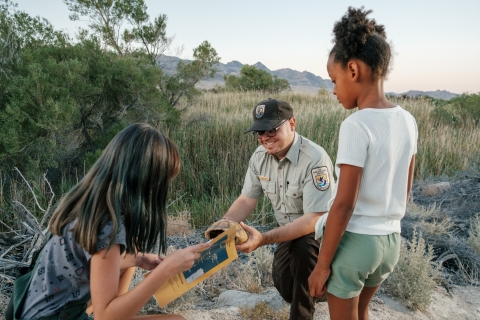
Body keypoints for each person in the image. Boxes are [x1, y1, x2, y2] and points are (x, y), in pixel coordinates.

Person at [17, 123, 211, 320]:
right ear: (144, 179)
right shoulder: (106, 225)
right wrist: (167, 268)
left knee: (131, 258)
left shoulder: (86, 204)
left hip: (40, 314)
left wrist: (137, 259)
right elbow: (106, 317)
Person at [308, 7, 418, 320]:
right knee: (363, 311)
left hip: (357, 243)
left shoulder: (357, 125)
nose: (333, 90)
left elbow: (343, 205)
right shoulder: (408, 121)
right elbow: (405, 191)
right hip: (390, 244)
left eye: (334, 80)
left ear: (353, 71)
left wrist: (323, 264)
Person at [220, 98, 336, 320]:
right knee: (286, 289)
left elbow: (314, 219)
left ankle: (303, 313)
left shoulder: (315, 159)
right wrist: (223, 226)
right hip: (286, 232)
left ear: (292, 123)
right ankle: (321, 288)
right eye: (260, 132)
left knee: (304, 250)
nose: (265, 138)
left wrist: (262, 239)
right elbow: (246, 199)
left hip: (319, 234)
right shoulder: (259, 157)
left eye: (272, 130)